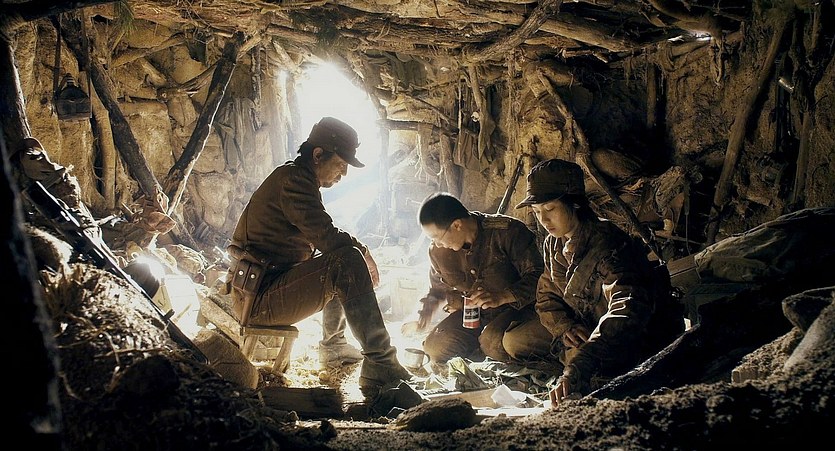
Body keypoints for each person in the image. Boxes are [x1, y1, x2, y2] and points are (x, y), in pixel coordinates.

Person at [226, 116, 410, 399]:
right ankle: (381, 363)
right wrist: (363, 251)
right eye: (341, 164)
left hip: (262, 289)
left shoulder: (297, 179)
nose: (343, 173)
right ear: (318, 154)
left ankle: (334, 346)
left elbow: (323, 238)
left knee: (338, 259)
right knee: (345, 260)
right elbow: (327, 237)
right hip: (258, 299)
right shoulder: (294, 181)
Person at [515, 158, 684, 406]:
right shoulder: (554, 243)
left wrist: (584, 360)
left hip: (625, 336)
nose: (544, 220)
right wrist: (564, 326)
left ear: (574, 203)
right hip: (584, 328)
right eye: (537, 212)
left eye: (550, 209)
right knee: (514, 342)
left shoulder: (609, 244)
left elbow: (626, 309)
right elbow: (546, 294)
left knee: (585, 380)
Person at [415, 192, 558, 371]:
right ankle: (479, 354)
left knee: (493, 344)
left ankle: (494, 354)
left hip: (516, 310)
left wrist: (503, 296)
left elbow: (540, 276)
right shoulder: (438, 252)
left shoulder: (507, 232)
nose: (436, 244)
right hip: (474, 316)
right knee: (434, 348)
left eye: (437, 237)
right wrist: (426, 311)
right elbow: (437, 289)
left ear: (457, 225)